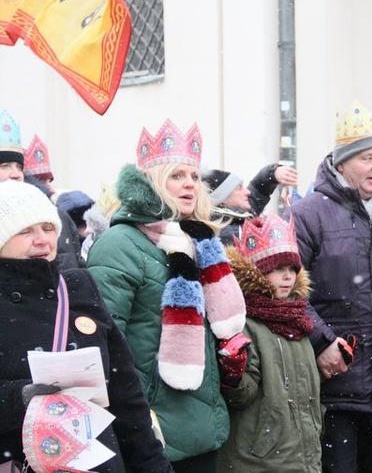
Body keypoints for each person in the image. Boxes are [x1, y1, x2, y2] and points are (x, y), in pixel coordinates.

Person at [86, 119, 248, 472]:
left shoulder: (200, 242)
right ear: (152, 182)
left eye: (193, 176)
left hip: (202, 429)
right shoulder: (120, 245)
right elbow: (103, 344)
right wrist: (140, 416)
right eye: (176, 176)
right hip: (151, 432)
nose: (189, 183)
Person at [0, 180, 172, 472]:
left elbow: (125, 392)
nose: (42, 239)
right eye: (26, 231)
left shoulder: (79, 286)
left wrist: (153, 465)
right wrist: (20, 398)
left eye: (48, 228)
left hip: (98, 460)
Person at [285, 99, 372, 472]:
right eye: (366, 158)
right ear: (341, 162)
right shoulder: (307, 215)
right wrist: (322, 341)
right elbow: (287, 291)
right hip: (335, 388)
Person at [218, 214, 324, 472]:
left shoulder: (297, 320)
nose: (287, 276)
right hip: (260, 459)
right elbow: (242, 396)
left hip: (303, 455)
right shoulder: (244, 321)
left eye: (291, 269)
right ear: (256, 272)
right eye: (276, 269)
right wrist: (232, 374)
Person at [0, 109, 82, 270]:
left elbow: (76, 269)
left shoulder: (56, 215)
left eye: (19, 166)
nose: (16, 174)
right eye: (4, 166)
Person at [203, 169, 253, 245]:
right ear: (223, 199)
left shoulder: (237, 219)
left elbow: (259, 190)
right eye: (239, 188)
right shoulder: (231, 235)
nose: (248, 192)